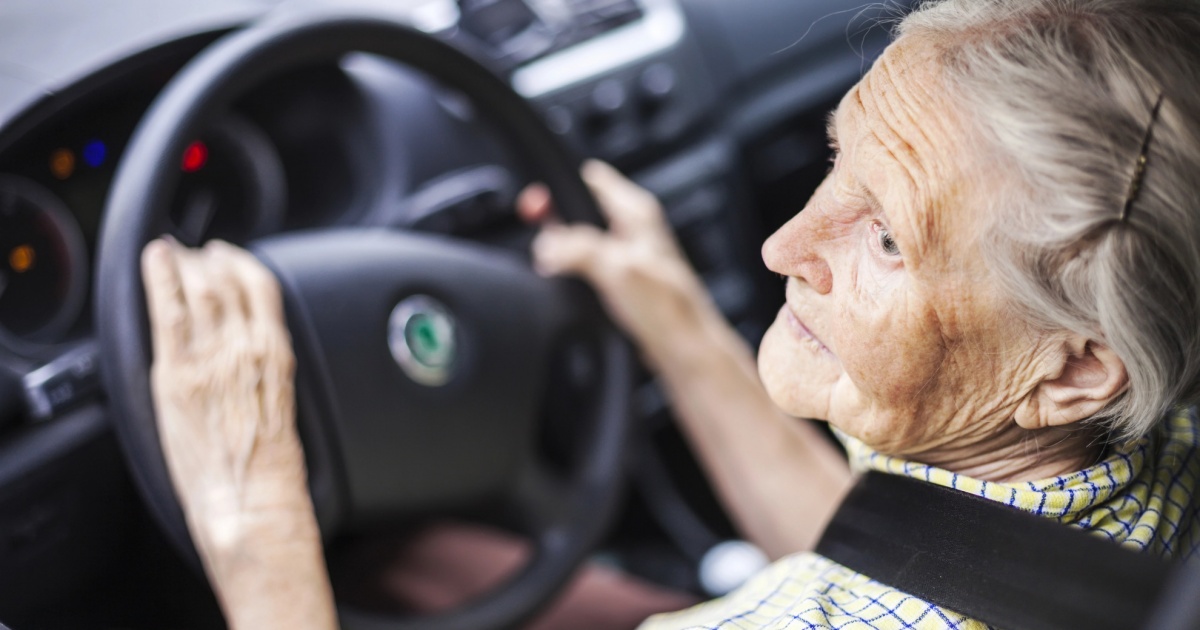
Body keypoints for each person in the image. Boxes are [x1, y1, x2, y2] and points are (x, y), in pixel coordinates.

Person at [139, 0, 1200, 627]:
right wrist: (679, 324)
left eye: (886, 238)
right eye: (839, 159)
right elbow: (900, 549)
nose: (784, 245)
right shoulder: (1134, 449)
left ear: (1071, 372)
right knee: (430, 563)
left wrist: (258, 526)